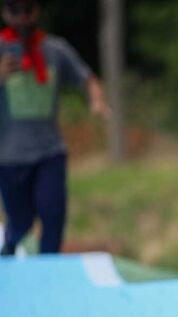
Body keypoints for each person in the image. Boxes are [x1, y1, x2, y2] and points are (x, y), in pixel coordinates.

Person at [0, 0, 108, 256]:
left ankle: (48, 267)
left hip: (49, 151)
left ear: (37, 11)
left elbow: (87, 77)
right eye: (15, 11)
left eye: (28, 10)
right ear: (5, 13)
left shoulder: (55, 49)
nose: (23, 18)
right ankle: (9, 247)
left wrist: (97, 101)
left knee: (53, 212)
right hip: (8, 156)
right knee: (21, 221)